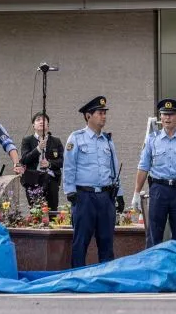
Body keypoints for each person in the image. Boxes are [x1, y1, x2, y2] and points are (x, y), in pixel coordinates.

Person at [131, 99, 176, 247]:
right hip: (159, 190)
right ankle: (152, 268)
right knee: (154, 235)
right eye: (164, 115)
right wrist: (136, 193)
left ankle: (175, 269)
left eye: (171, 115)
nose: (167, 118)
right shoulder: (152, 139)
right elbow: (143, 167)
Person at [63, 96, 125, 267]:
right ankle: (77, 278)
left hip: (105, 197)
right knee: (81, 241)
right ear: (88, 115)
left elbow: (113, 168)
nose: (104, 116)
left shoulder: (107, 140)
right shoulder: (76, 138)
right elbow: (69, 167)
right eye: (100, 113)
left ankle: (105, 278)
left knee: (106, 242)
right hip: (84, 197)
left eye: (105, 113)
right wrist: (70, 191)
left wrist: (119, 194)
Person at [19, 112, 65, 212]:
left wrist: (50, 164)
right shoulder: (27, 140)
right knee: (36, 212)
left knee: (52, 211)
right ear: (33, 125)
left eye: (44, 120)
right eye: (38, 119)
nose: (41, 122)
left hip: (51, 179)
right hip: (33, 180)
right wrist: (38, 149)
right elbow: (24, 159)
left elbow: (63, 161)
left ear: (48, 125)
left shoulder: (56, 141)